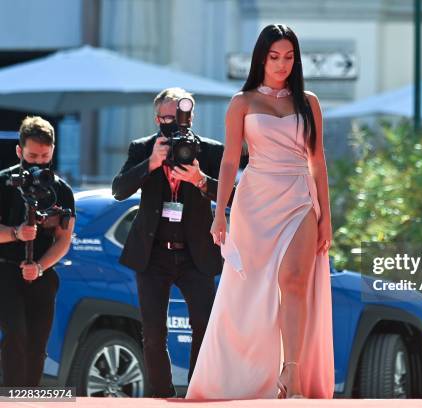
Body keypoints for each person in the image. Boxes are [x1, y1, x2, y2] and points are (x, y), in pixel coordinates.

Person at [187, 24, 334, 400]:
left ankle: (293, 374)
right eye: (274, 57)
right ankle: (245, 376)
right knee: (252, 292)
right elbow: (229, 162)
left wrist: (327, 219)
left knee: (296, 281)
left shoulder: (309, 102)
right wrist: (219, 213)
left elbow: (318, 162)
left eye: (289, 57)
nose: (282, 64)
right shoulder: (242, 102)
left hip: (300, 196)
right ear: (262, 58)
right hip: (255, 201)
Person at [112, 87, 230, 397]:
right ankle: (161, 394)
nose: (173, 124)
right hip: (152, 255)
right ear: (156, 118)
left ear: (190, 117)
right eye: (166, 118)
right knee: (152, 333)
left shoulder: (210, 150)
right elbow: (118, 190)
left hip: (196, 254)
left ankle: (196, 392)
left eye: (179, 118)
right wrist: (150, 163)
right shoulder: (142, 148)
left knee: (204, 326)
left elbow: (232, 196)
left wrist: (200, 180)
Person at [0, 116, 76, 386]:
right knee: (15, 335)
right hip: (5, 271)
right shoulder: (4, 183)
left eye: (44, 156)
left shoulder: (62, 190)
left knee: (37, 342)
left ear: (53, 151)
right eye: (32, 155)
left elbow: (63, 240)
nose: (38, 161)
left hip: (42, 275)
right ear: (20, 151)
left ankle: (31, 397)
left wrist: (40, 267)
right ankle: (9, 398)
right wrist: (16, 233)